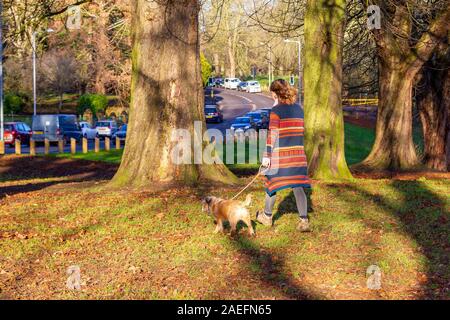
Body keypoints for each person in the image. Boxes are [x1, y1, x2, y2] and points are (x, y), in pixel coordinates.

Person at [256, 79, 311, 232]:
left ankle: (267, 217)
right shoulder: (299, 109)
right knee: (298, 185)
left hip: (281, 157)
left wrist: (266, 156)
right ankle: (304, 220)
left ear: (275, 94)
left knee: (271, 184)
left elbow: (272, 134)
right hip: (298, 155)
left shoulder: (276, 111)